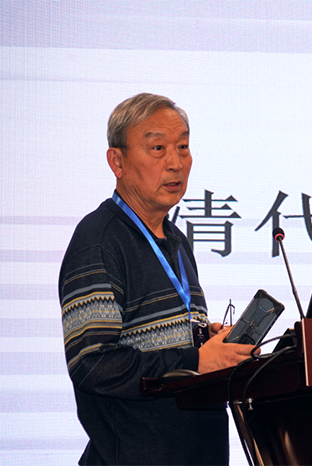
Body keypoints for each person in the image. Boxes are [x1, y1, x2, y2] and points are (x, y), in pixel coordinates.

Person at [59, 93, 255, 465]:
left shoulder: (176, 240)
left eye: (183, 147)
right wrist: (195, 360)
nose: (176, 163)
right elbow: (92, 363)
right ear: (117, 161)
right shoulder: (99, 240)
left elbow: (158, 343)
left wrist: (206, 341)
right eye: (158, 148)